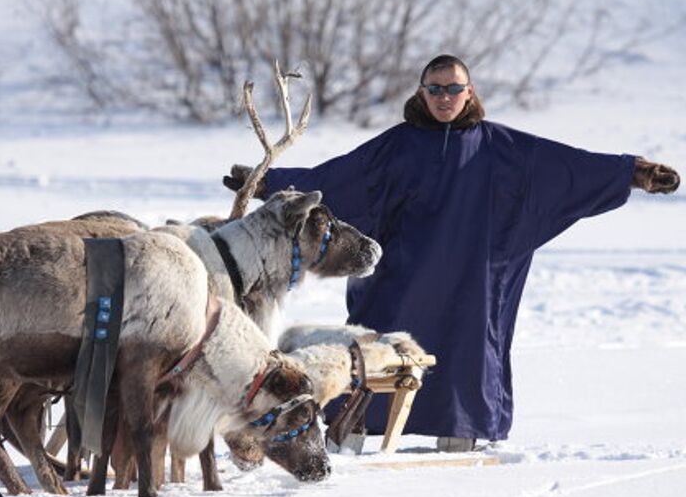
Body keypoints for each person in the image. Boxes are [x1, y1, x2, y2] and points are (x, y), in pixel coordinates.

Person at [223, 55, 680, 452]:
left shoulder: (504, 149)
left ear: (469, 91)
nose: (444, 97)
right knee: (378, 342)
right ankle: (356, 426)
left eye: (454, 88)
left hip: (473, 280)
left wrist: (635, 173)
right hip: (397, 276)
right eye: (435, 89)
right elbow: (339, 180)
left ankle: (460, 432)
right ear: (422, 92)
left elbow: (568, 168)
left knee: (467, 346)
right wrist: (266, 184)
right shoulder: (396, 145)